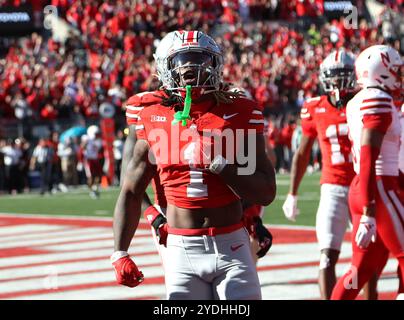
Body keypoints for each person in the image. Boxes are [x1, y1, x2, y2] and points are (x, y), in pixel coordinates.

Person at [111, 30, 276, 300]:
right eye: (182, 61)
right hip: (180, 248)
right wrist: (120, 252)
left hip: (231, 245)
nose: (192, 68)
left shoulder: (238, 113)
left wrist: (221, 165)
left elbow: (265, 192)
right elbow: (130, 188)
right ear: (165, 67)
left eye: (200, 60)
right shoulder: (152, 117)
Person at [282, 49, 384, 299]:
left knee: (367, 259)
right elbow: (303, 153)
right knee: (327, 256)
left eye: (343, 76)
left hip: (362, 188)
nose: (338, 82)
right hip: (333, 188)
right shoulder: (314, 107)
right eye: (333, 76)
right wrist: (292, 193)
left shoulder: (365, 101)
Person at [331, 45, 404, 300]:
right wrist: (370, 208)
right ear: (379, 71)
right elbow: (371, 154)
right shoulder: (379, 99)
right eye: (395, 70)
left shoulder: (357, 101)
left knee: (360, 268)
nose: (399, 76)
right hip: (379, 186)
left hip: (364, 184)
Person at [81, 125, 104, 198]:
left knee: (98, 175)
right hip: (88, 160)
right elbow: (82, 147)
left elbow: (99, 149)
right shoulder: (87, 138)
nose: (98, 135)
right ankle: (91, 191)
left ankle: (95, 188)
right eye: (96, 133)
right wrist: (86, 142)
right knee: (90, 176)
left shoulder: (99, 141)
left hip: (95, 159)